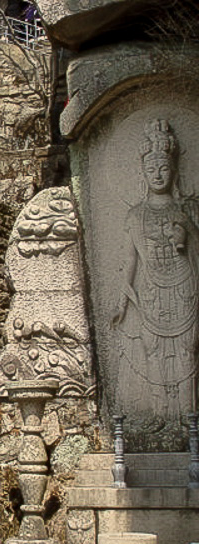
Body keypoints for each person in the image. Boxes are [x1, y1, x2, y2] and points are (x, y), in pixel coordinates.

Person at [111, 119, 199, 420]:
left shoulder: (186, 209)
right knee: (153, 351)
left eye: (163, 168)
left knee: (188, 350)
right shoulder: (135, 215)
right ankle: (161, 417)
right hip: (149, 292)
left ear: (173, 169)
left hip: (185, 287)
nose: (158, 174)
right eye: (151, 169)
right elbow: (131, 260)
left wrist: (188, 234)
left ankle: (189, 418)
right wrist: (122, 301)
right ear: (143, 173)